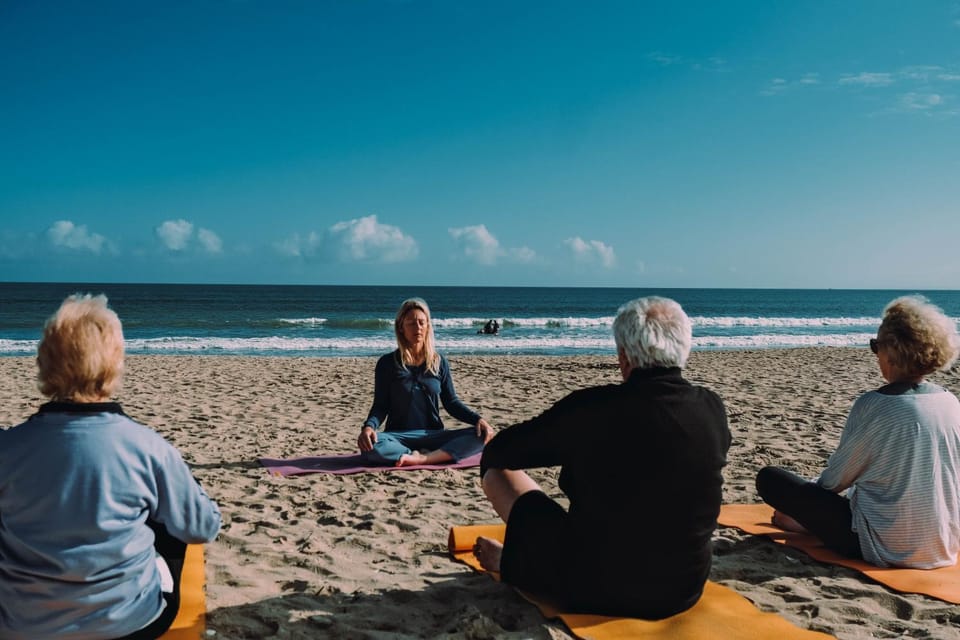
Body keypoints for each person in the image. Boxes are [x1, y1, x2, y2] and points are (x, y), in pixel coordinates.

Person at [474, 296, 730, 619]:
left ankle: (515, 561)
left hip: (591, 589)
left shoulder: (590, 409)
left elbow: (501, 451)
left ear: (624, 357)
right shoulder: (712, 409)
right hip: (682, 590)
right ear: (684, 349)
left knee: (494, 468)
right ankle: (514, 560)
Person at [0, 294, 221, 639]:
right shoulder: (148, 448)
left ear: (44, 364)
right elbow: (201, 528)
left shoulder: (9, 448)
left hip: (24, 625)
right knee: (164, 523)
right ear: (115, 363)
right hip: (128, 624)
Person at [756, 295, 960, 568]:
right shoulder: (950, 402)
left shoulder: (875, 404)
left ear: (893, 351)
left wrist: (801, 510)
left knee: (770, 478)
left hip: (884, 545)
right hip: (942, 545)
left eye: (876, 345)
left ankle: (802, 524)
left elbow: (834, 481)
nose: (875, 354)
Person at [359, 298, 495, 466]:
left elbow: (451, 403)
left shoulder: (439, 362)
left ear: (428, 326)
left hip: (433, 435)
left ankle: (423, 458)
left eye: (422, 323)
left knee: (482, 435)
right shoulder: (387, 363)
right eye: (411, 323)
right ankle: (416, 454)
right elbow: (380, 406)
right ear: (401, 327)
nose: (418, 328)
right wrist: (369, 427)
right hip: (398, 437)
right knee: (371, 446)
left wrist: (477, 419)